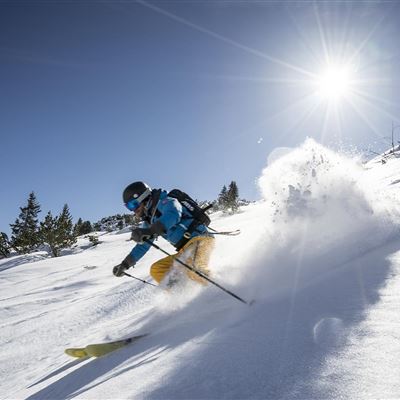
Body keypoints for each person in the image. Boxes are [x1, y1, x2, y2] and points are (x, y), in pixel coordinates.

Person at [113, 181, 215, 286]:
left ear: (143, 197)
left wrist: (150, 231)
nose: (133, 210)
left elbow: (173, 214)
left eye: (133, 204)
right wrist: (125, 264)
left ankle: (218, 292)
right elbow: (142, 246)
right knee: (157, 270)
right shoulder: (149, 220)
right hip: (184, 250)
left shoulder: (165, 201)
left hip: (200, 240)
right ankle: (183, 293)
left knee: (194, 269)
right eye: (129, 207)